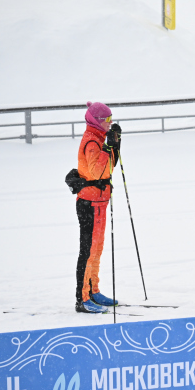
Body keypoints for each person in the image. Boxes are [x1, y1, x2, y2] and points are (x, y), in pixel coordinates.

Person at [75, 101, 123, 313]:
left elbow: (110, 168)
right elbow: (97, 172)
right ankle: (83, 299)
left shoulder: (100, 139)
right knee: (88, 251)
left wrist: (115, 145)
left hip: (100, 202)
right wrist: (106, 147)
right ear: (97, 121)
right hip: (89, 204)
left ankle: (93, 290)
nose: (110, 123)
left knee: (97, 250)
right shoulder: (92, 142)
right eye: (108, 121)